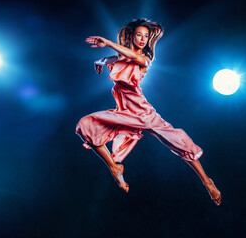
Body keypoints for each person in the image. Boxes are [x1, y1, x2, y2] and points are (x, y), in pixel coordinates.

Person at [76, 18, 221, 206]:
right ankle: (114, 167)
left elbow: (133, 57)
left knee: (177, 142)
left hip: (144, 114)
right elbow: (115, 59)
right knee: (85, 125)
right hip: (126, 112)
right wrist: (100, 60)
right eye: (139, 35)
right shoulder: (121, 58)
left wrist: (108, 43)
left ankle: (207, 182)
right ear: (131, 36)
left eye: (146, 36)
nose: (143, 39)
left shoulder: (145, 59)